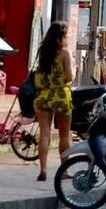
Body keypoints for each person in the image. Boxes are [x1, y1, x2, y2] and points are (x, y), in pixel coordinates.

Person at [32, 22, 74, 182]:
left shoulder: (43, 52)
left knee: (44, 133)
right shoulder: (64, 53)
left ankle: (43, 169)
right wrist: (74, 69)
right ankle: (64, 170)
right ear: (62, 37)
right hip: (61, 96)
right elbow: (69, 77)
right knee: (64, 135)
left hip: (43, 95)